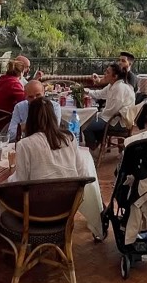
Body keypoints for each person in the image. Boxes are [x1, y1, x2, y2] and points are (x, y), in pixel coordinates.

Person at [8, 97, 103, 239]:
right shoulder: (69, 138)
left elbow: (18, 183)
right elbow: (82, 174)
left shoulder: (25, 144)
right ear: (53, 117)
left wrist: (11, 167)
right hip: (66, 210)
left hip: (35, 214)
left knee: (3, 198)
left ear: (30, 119)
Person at [83, 63, 136, 150]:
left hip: (119, 122)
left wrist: (98, 114)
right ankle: (97, 142)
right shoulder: (112, 85)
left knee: (85, 125)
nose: (105, 74)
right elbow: (99, 94)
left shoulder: (119, 88)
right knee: (89, 119)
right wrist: (86, 91)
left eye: (107, 72)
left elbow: (112, 112)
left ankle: (90, 149)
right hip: (111, 117)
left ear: (115, 76)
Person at [118, 50, 147, 129]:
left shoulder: (131, 77)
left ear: (130, 63)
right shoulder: (120, 75)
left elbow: (128, 95)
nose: (120, 62)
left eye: (123, 61)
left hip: (126, 108)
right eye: (119, 60)